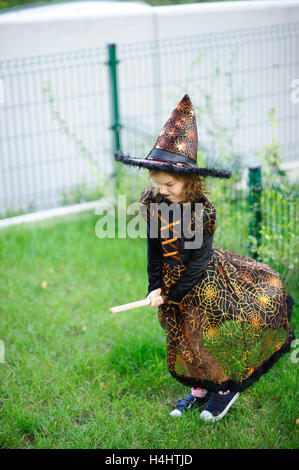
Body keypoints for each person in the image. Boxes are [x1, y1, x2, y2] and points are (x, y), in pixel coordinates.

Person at [114, 94, 295, 422]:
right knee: (181, 334)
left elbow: (197, 262)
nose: (163, 190)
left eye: (169, 184)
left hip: (202, 281)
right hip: (171, 280)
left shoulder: (201, 213)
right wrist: (155, 286)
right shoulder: (154, 203)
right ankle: (199, 388)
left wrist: (173, 292)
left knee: (201, 331)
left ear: (189, 180)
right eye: (158, 184)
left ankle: (224, 388)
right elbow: (154, 248)